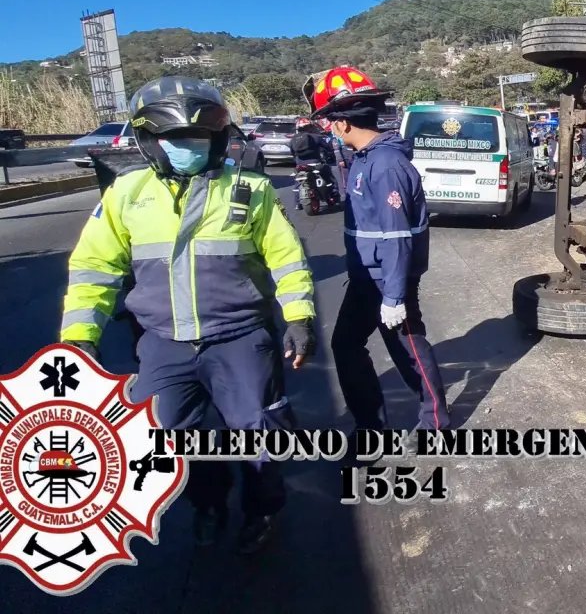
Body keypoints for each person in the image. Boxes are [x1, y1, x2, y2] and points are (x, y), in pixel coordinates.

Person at [59, 77, 315, 552]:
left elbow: (288, 258)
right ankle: (208, 503)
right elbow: (94, 267)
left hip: (239, 336)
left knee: (258, 432)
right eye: (175, 141)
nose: (187, 148)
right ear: (150, 142)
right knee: (173, 437)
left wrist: (299, 318)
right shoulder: (126, 194)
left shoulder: (250, 189)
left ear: (218, 140)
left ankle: (261, 512)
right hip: (162, 341)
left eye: (198, 139)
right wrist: (79, 338)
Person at [308, 67, 450, 442]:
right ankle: (370, 426)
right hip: (366, 276)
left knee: (410, 350)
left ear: (341, 124)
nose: (328, 130)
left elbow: (398, 236)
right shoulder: (366, 158)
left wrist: (394, 296)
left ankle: (436, 424)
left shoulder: (386, 165)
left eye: (328, 122)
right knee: (347, 345)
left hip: (386, 279)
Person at [288, 117, 340, 210]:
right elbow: (328, 148)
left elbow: (292, 153)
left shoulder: (293, 139)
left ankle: (297, 203)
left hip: (300, 165)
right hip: (316, 164)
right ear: (310, 127)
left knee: (298, 182)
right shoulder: (317, 137)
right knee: (330, 178)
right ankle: (334, 196)